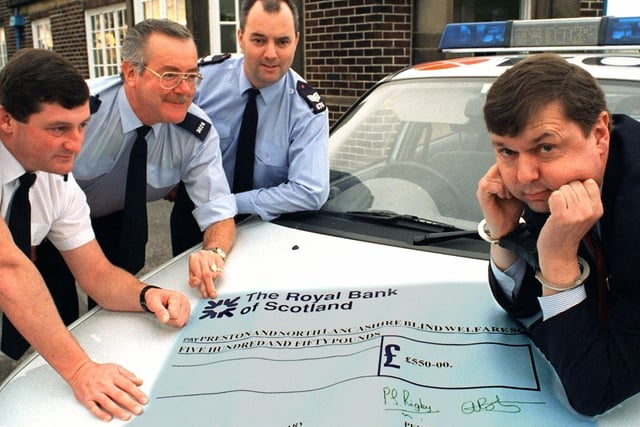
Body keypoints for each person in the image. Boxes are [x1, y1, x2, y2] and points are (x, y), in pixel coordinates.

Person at [0, 48, 191, 422]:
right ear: (6, 119)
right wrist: (80, 370)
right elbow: (8, 271)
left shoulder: (57, 180)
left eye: (82, 126)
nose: (76, 144)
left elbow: (97, 275)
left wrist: (149, 295)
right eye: (58, 129)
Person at [35, 18, 235, 333]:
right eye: (170, 76)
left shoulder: (196, 132)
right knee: (49, 315)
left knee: (118, 314)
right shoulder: (82, 111)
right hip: (48, 221)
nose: (185, 90)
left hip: (118, 218)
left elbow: (219, 211)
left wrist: (213, 251)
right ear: (131, 73)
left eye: (191, 76)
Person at [476, 53, 640, 416]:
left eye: (544, 147)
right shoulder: (556, 181)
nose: (523, 176)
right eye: (507, 150)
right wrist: (506, 236)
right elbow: (522, 307)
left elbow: (595, 391)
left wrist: (558, 264)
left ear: (599, 133)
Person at [169, 0, 329, 255]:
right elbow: (166, 127)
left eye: (282, 42)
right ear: (241, 37)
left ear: (296, 41)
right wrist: (167, 177)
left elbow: (310, 191)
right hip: (195, 219)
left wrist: (228, 204)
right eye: (259, 40)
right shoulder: (203, 80)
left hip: (262, 228)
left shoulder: (306, 110)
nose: (271, 53)